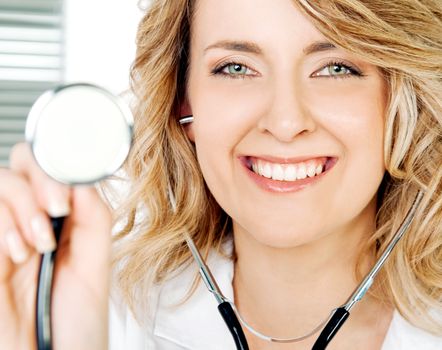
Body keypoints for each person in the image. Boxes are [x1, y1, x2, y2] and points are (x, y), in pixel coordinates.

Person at [0, 0, 441, 349]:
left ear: (401, 98)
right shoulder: (89, 313)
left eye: (336, 68)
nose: (285, 122)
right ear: (183, 102)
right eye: (236, 68)